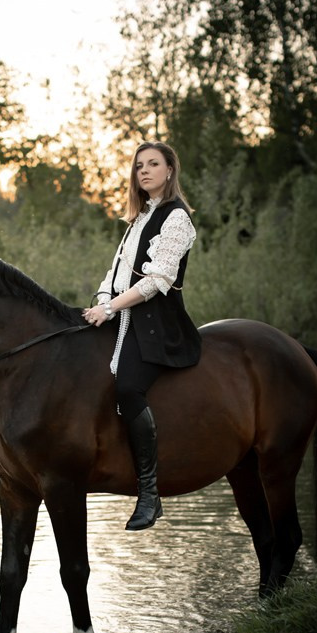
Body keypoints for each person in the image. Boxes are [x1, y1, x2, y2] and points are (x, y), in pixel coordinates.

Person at [83, 141, 202, 531]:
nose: (145, 171)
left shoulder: (176, 219)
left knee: (129, 388)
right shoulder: (138, 217)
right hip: (123, 315)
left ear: (170, 170)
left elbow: (156, 280)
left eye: (154, 164)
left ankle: (150, 493)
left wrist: (112, 307)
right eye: (139, 166)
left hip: (158, 326)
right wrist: (101, 303)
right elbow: (115, 272)